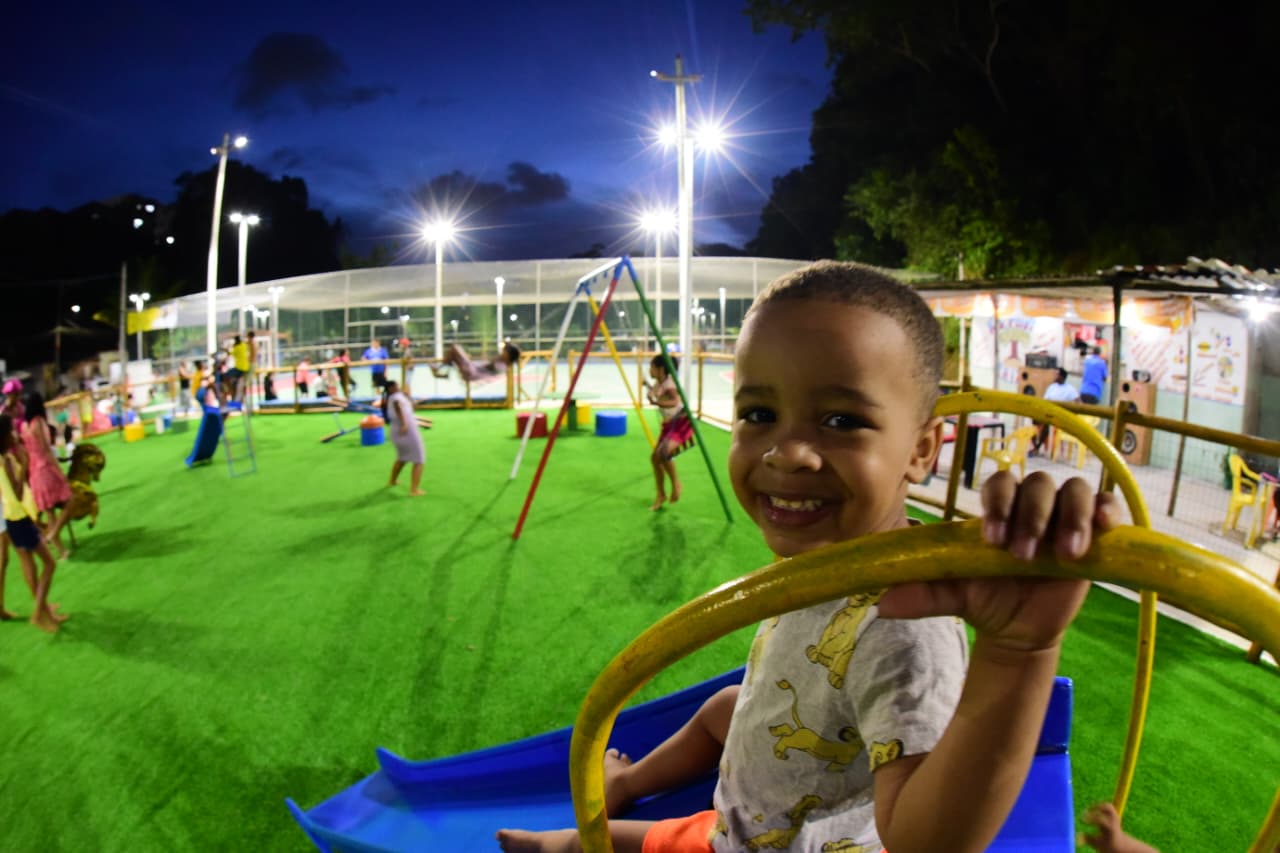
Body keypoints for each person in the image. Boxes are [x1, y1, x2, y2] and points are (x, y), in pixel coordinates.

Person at [497, 260, 1121, 853]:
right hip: (759, 806)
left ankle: (586, 833)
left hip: (794, 841)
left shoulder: (905, 626)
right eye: (759, 414)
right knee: (727, 709)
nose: (787, 452)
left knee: (675, 817)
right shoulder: (829, 560)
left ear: (922, 449)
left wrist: (1018, 653)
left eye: (842, 419)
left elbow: (923, 840)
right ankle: (617, 797)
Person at [0, 414, 64, 633]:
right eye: (11, 432)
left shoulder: (4, 459)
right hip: (18, 517)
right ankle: (39, 612)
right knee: (48, 564)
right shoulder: (6, 461)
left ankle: (43, 609)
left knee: (30, 564)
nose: (14, 435)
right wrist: (25, 465)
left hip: (12, 517)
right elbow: (17, 492)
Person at [20, 393, 73, 559]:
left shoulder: (24, 427)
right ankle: (53, 533)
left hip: (34, 472)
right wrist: (60, 472)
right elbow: (47, 451)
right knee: (70, 502)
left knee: (50, 512)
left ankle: (62, 551)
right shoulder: (39, 424)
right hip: (45, 469)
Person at [643, 355, 693, 511]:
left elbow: (674, 401)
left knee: (663, 453)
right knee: (655, 458)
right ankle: (661, 494)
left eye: (651, 367)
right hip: (668, 425)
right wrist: (647, 386)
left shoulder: (670, 384)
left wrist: (656, 402)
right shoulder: (659, 383)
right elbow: (658, 392)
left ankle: (676, 484)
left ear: (660, 369)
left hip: (679, 423)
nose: (649, 370)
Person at [383, 380, 425, 496]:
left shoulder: (394, 397)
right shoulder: (396, 397)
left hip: (397, 431)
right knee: (419, 459)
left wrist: (408, 397)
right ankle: (414, 490)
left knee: (402, 458)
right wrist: (404, 423)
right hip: (407, 430)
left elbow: (407, 407)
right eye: (396, 386)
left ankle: (392, 481)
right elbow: (398, 406)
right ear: (391, 388)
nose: (398, 387)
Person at [1031, 367, 1082, 455]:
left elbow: (1079, 403)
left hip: (1059, 414)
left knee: (1047, 424)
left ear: (1061, 377)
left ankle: (1036, 448)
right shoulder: (1052, 387)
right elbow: (1045, 400)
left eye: (1057, 374)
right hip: (1048, 411)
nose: (1055, 376)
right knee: (1034, 420)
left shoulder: (1070, 389)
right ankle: (1036, 446)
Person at [431, 342, 521, 382]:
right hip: (473, 369)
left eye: (505, 351)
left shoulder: (502, 366)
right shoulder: (501, 363)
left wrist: (467, 359)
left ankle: (440, 369)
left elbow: (489, 367)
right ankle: (441, 370)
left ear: (509, 355)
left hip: (473, 373)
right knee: (454, 352)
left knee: (455, 348)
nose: (502, 352)